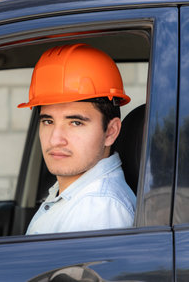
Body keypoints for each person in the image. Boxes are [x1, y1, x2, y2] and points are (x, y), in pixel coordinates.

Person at [18, 43, 136, 234]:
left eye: (75, 123)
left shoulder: (96, 209)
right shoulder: (76, 193)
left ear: (111, 132)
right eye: (48, 121)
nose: (55, 139)